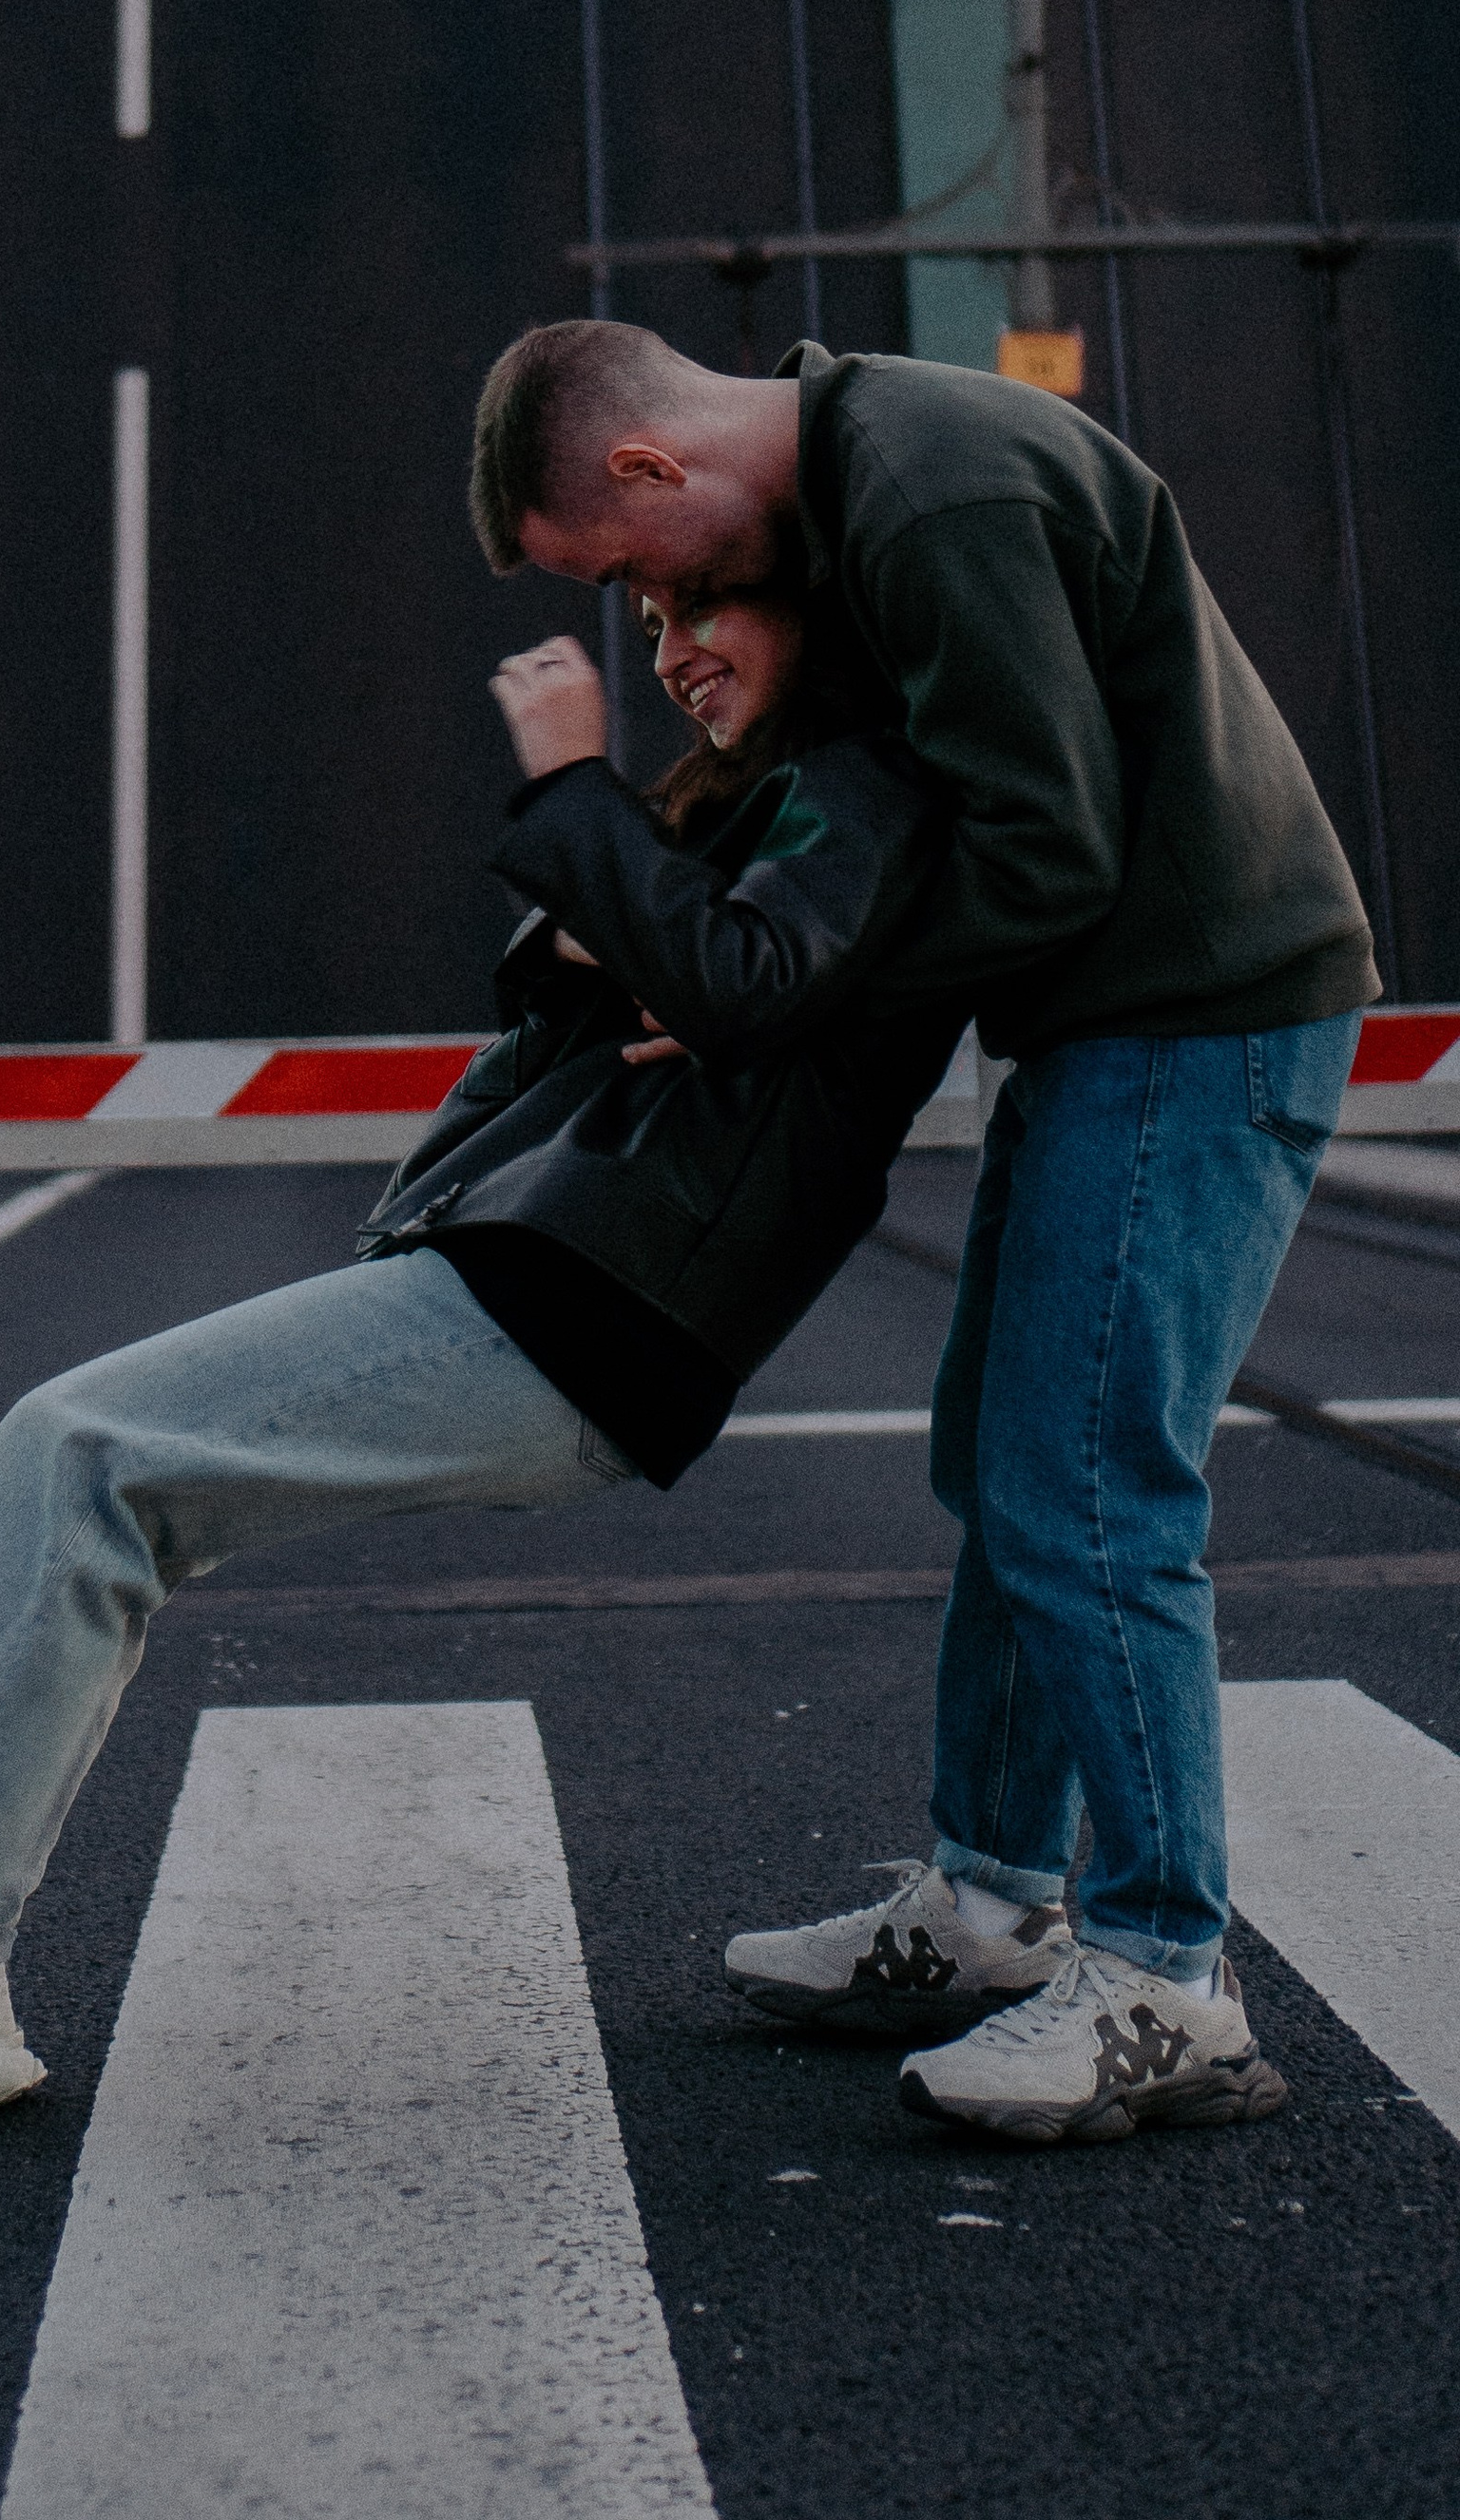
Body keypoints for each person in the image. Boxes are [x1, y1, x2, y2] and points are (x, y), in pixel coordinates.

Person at [0, 572, 968, 2112]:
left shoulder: (858, 783)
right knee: (95, 1475)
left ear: (822, 616)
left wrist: (577, 789)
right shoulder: (769, 802)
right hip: (565, 1277)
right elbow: (622, 966)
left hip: (591, 1290)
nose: (673, 658)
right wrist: (647, 927)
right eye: (656, 627)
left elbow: (729, 974)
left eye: (708, 617)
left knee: (79, 1455)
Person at [469, 319, 1374, 2148]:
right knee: (1004, 1466)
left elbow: (1045, 851)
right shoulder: (880, 477)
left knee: (1088, 1490)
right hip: (1124, 1024)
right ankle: (989, 1905)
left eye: (630, 568)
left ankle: (1166, 1982)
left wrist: (777, 1004)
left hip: (1194, 1019)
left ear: (647, 471)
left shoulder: (935, 488)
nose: (654, 612)